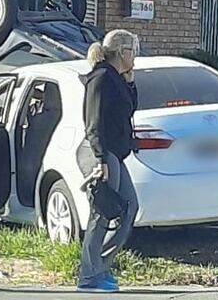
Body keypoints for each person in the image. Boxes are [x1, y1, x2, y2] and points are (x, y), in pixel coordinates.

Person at [76, 29, 140, 293]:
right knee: (102, 212)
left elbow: (129, 108)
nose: (135, 57)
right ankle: (89, 275)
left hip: (113, 153)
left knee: (129, 207)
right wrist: (101, 158)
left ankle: (100, 266)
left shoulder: (117, 78)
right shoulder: (101, 78)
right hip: (100, 152)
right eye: (133, 51)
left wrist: (130, 81)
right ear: (122, 52)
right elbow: (93, 123)